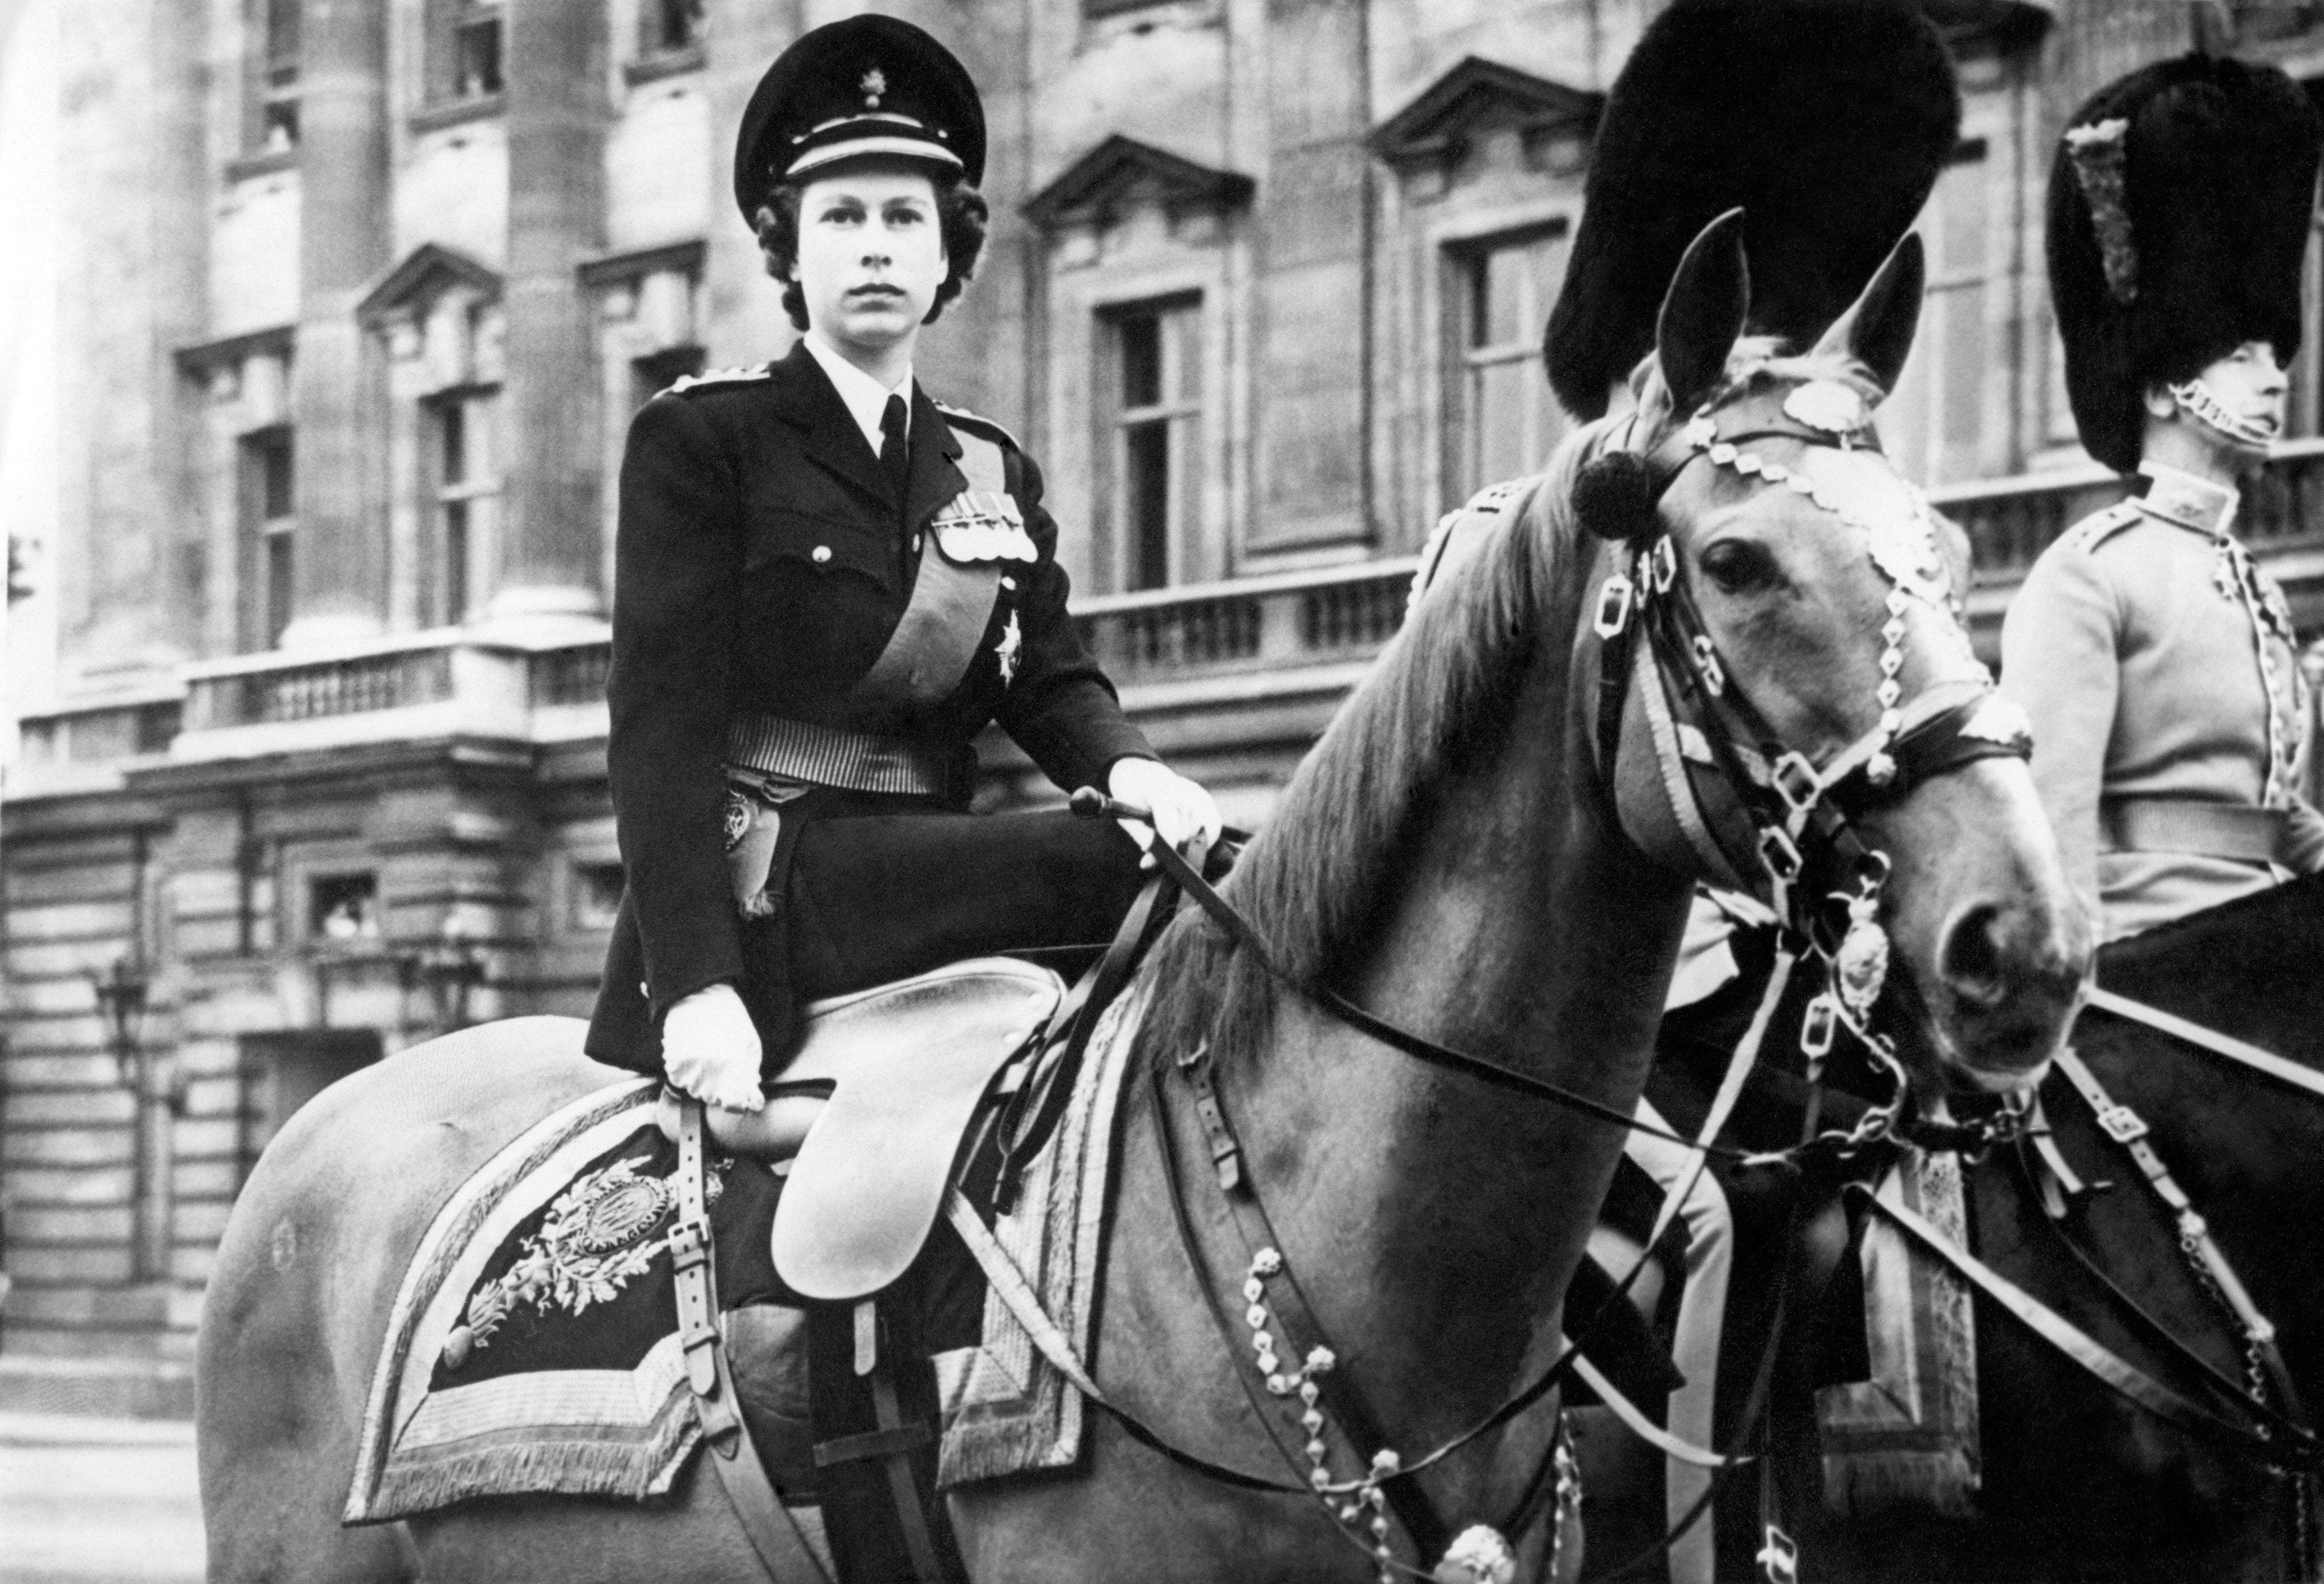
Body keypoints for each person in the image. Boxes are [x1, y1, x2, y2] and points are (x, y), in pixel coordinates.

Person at [584, 16, 1219, 1139]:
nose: (873, 247)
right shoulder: (705, 441)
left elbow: (1051, 679)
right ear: (789, 251)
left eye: (902, 219)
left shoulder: (986, 465)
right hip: (778, 880)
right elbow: (657, 732)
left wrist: (1137, 776)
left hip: (937, 859)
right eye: (840, 217)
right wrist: (695, 982)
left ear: (944, 256)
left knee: (1234, 868)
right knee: (1099, 866)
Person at [2003, 53, 2324, 946]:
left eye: (2274, 356)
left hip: (2263, 943)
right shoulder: (2088, 577)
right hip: (2150, 966)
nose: (2274, 384)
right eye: (2240, 356)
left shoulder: (2247, 579)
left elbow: (2277, 816)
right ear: (2159, 387)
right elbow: (2050, 816)